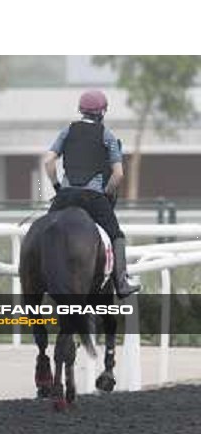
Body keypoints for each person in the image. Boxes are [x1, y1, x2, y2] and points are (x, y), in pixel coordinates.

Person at [44, 89, 140, 298]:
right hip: (93, 198)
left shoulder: (67, 131)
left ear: (81, 111)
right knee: (116, 234)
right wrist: (105, 193)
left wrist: (57, 187)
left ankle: (35, 273)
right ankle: (121, 282)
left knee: (44, 230)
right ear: (102, 112)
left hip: (66, 196)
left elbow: (49, 161)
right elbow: (118, 174)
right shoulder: (107, 135)